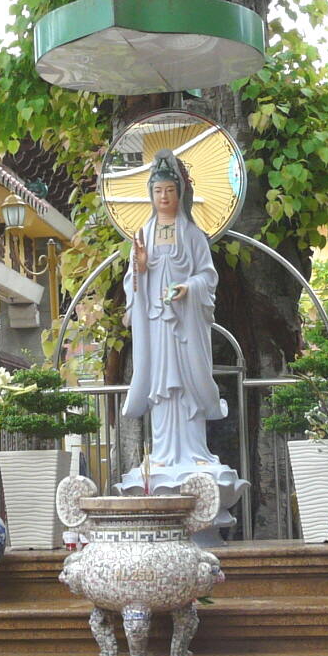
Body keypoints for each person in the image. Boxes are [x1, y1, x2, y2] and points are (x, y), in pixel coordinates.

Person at [122, 148, 225, 468]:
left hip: (186, 324)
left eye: (169, 190)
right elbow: (132, 280)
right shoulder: (143, 236)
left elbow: (207, 275)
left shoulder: (193, 235)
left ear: (180, 193)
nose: (163, 196)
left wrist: (188, 287)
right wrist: (139, 268)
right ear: (150, 195)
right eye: (157, 191)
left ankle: (195, 451)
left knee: (189, 382)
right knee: (161, 387)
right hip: (156, 323)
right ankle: (163, 453)